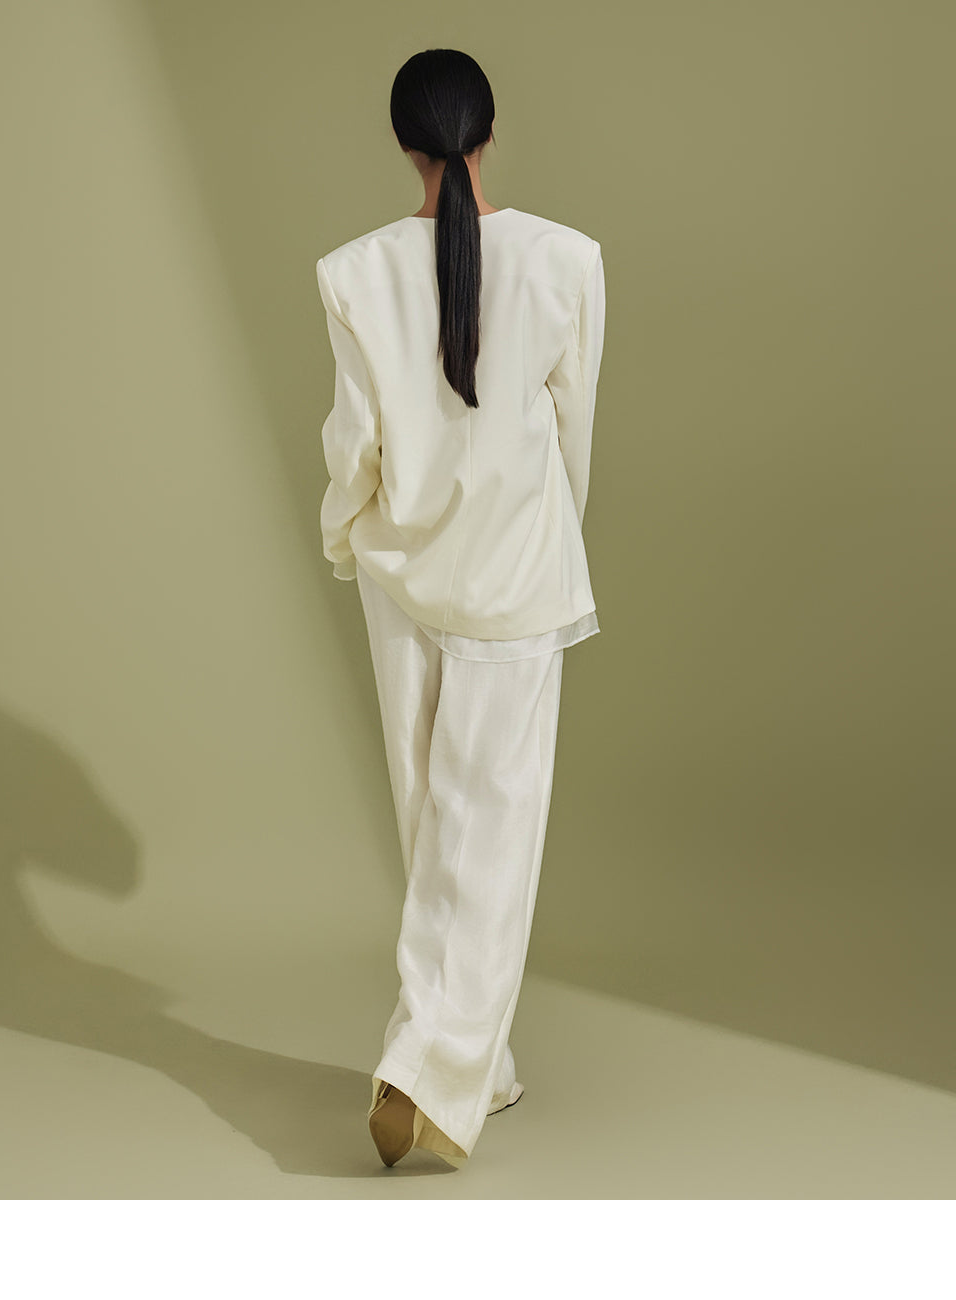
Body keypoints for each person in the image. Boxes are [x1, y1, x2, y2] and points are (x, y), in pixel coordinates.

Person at [315, 48, 606, 1169]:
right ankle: (431, 1065)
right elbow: (572, 429)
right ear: (489, 137)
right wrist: (547, 536)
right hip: (516, 573)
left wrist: (345, 532)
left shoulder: (353, 273)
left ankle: (476, 1063)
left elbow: (356, 443)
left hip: (403, 568)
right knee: (493, 827)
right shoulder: (567, 259)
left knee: (430, 820)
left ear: (406, 148)